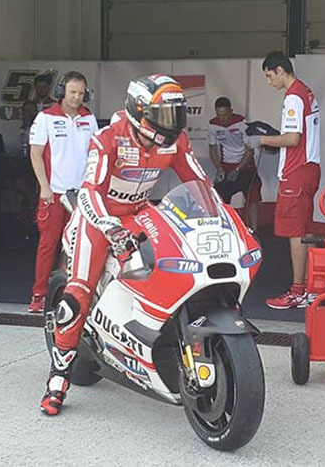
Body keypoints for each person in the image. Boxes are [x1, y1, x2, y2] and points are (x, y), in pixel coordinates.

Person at [40, 74, 209, 416]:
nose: (172, 124)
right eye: (164, 116)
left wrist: (219, 216)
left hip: (142, 213)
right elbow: (89, 192)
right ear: (140, 112)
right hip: (99, 218)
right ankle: (58, 379)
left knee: (174, 268)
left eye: (176, 115)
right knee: (78, 294)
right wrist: (109, 228)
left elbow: (199, 182)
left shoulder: (174, 142)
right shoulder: (108, 138)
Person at [252, 51, 320, 309]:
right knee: (306, 230)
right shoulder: (306, 91)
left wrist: (261, 140)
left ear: (280, 70)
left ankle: (299, 290)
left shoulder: (293, 96)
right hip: (309, 167)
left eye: (270, 76)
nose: (269, 82)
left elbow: (292, 139)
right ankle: (313, 287)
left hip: (296, 171)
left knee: (296, 233)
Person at [27, 71, 97, 313]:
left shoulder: (90, 119)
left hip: (81, 196)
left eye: (81, 93)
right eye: (72, 92)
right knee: (48, 245)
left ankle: (68, 294)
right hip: (54, 194)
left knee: (77, 248)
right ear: (61, 93)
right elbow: (35, 154)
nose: (77, 97)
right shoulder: (44, 118)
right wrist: (44, 187)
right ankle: (39, 295)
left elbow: (96, 155)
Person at [208, 97, 262, 231]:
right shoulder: (212, 124)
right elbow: (213, 149)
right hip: (226, 165)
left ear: (231, 111)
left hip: (246, 164)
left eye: (225, 115)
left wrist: (239, 169)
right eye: (219, 115)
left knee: (252, 196)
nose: (222, 119)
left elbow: (250, 149)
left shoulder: (241, 122)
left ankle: (254, 230)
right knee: (219, 197)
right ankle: (223, 229)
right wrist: (219, 169)